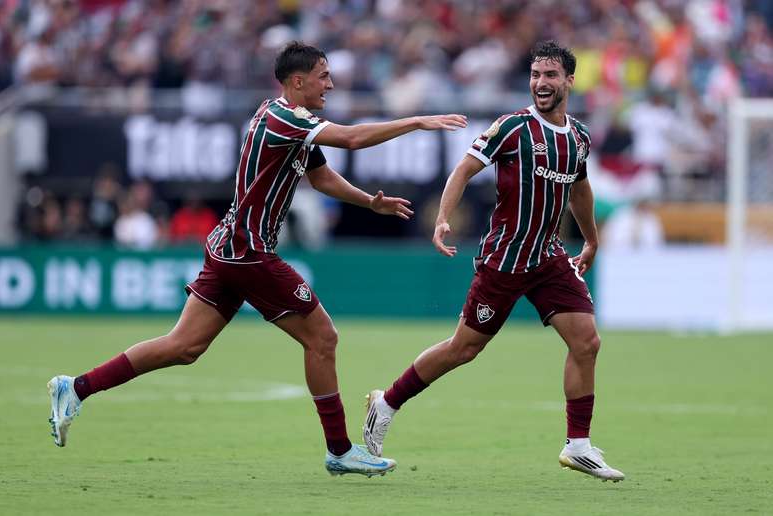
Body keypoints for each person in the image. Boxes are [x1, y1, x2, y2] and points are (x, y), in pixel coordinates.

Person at [47, 41, 467, 477]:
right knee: (322, 338)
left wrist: (367, 202)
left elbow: (320, 176)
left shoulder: (291, 119)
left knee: (183, 346)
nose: (331, 83)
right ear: (297, 81)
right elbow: (354, 139)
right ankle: (340, 451)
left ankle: (75, 388)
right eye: (323, 75)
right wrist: (416, 120)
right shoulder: (284, 117)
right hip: (248, 252)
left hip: (230, 247)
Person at [363, 40, 625, 482]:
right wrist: (443, 217)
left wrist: (592, 240)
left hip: (548, 257)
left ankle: (577, 445)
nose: (541, 83)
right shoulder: (512, 127)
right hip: (504, 260)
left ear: (569, 81)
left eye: (550, 75)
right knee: (463, 348)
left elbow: (580, 190)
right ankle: (386, 402)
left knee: (587, 342)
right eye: (536, 75)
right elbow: (464, 169)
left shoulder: (578, 137)